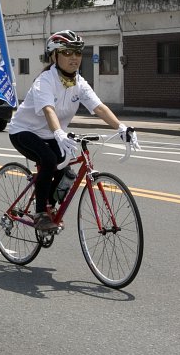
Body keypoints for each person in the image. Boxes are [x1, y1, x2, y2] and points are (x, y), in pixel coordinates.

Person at [8, 30, 141, 232]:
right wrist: (59, 132)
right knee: (50, 160)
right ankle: (41, 213)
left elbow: (99, 107)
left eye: (78, 53)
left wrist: (121, 127)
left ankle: (49, 203)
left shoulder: (79, 82)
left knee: (67, 172)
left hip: (51, 133)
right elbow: (48, 110)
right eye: (68, 53)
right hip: (24, 131)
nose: (75, 58)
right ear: (54, 56)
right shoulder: (45, 81)